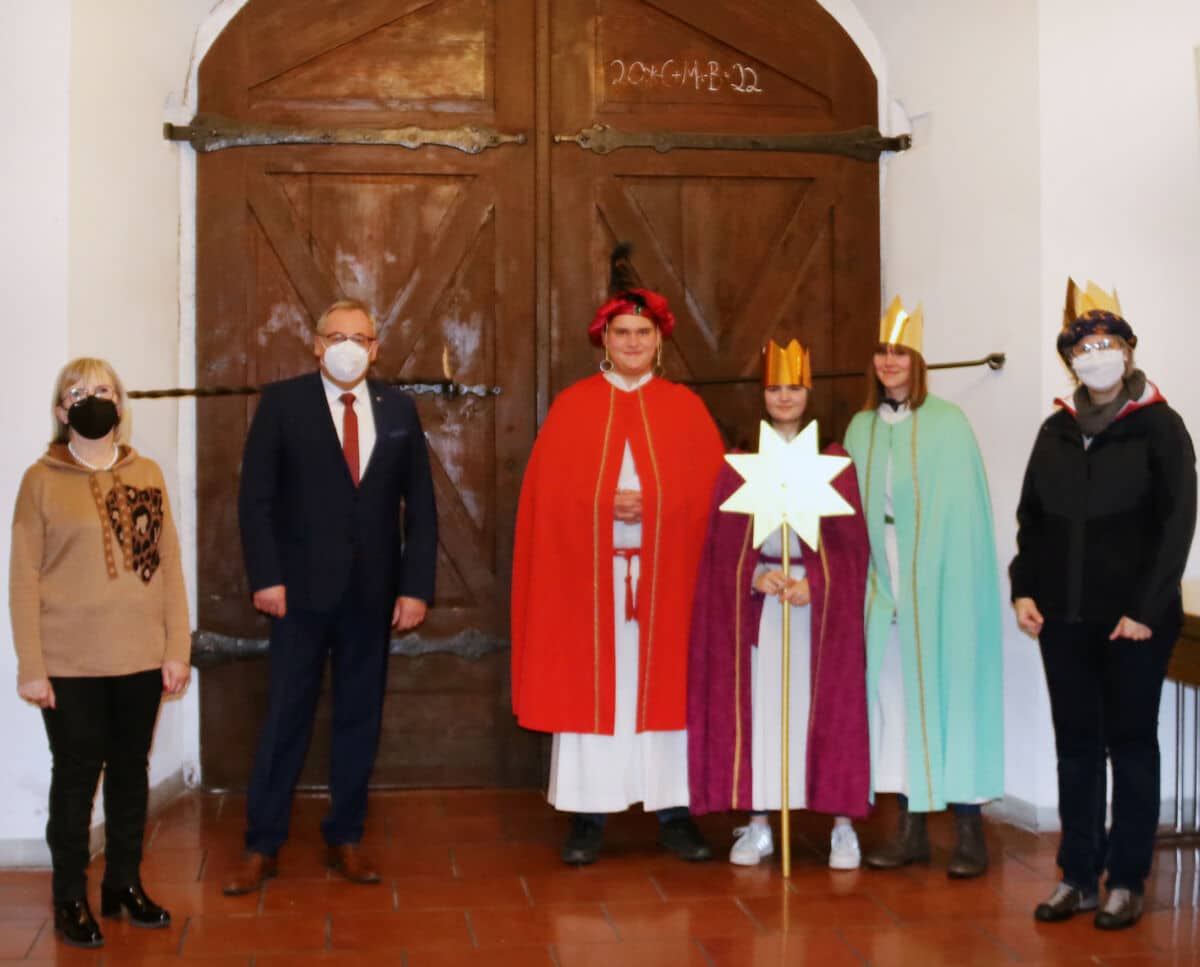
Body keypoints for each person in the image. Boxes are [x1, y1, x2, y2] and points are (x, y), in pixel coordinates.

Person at [511, 244, 726, 865]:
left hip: (668, 583)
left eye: (643, 333)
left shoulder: (685, 409)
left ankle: (676, 813)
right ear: (604, 340)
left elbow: (714, 498)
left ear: (659, 341)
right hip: (592, 583)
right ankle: (587, 818)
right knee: (592, 692)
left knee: (669, 691)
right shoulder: (573, 406)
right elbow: (547, 500)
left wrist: (655, 507)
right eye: (622, 333)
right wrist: (604, 505)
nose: (633, 342)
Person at [223, 299, 438, 895]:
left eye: (360, 337)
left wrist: (415, 587)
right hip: (297, 594)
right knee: (285, 715)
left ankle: (346, 835)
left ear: (375, 349)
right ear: (317, 345)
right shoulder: (283, 403)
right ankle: (262, 844)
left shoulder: (398, 409)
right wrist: (266, 577)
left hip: (373, 594)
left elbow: (421, 507)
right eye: (336, 336)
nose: (348, 346)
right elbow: (255, 500)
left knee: (359, 716)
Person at [1012, 280, 1196, 930]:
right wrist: (1024, 587)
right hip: (1063, 619)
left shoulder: (1161, 426)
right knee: (1077, 748)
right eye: (1083, 347)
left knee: (1132, 745)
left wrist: (1145, 607)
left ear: (1127, 350)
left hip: (1134, 623)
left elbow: (1177, 525)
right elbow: (1033, 520)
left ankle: (1126, 879)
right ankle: (1077, 876)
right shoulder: (1056, 430)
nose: (1096, 355)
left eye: (1106, 343)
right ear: (1070, 359)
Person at [9, 358, 191, 949]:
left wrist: (177, 648)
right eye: (79, 392)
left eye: (105, 390)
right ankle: (69, 897)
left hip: (140, 657)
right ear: (62, 411)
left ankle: (123, 884)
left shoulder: (148, 474)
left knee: (131, 773)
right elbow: (23, 579)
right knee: (76, 778)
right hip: (70, 664)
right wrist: (32, 666)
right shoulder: (40, 481)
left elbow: (168, 566)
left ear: (121, 404)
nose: (94, 399)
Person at [688, 339, 871, 869]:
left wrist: (818, 581)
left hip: (815, 609)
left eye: (793, 387)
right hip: (764, 607)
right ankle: (760, 823)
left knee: (828, 707)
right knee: (764, 711)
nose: (784, 397)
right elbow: (721, 548)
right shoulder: (741, 463)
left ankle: (842, 827)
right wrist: (753, 575)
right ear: (762, 395)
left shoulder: (833, 461)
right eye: (774, 388)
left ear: (808, 392)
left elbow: (852, 548)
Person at [843, 297, 1004, 879]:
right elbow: (846, 514)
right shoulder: (860, 427)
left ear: (918, 361)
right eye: (882, 352)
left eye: (900, 353)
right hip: (880, 581)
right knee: (896, 704)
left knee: (950, 697)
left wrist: (932, 579)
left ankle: (969, 832)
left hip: (940, 583)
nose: (889, 362)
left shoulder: (948, 423)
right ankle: (909, 831)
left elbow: (964, 517)